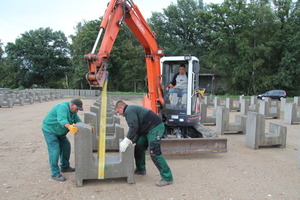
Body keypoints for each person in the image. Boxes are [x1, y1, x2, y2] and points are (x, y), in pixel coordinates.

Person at [115, 101, 173, 187]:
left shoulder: (129, 110)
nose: (118, 114)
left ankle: (167, 178)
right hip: (146, 129)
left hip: (155, 127)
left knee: (155, 152)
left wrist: (127, 140)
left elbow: (134, 126)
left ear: (121, 108)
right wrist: (133, 140)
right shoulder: (131, 110)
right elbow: (138, 128)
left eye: (117, 112)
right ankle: (141, 169)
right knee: (138, 146)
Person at [42, 99, 83, 182]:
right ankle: (55, 173)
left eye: (78, 109)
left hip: (60, 133)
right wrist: (70, 127)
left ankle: (65, 167)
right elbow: (62, 120)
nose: (77, 111)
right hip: (50, 131)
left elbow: (78, 120)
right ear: (71, 105)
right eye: (76, 108)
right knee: (55, 151)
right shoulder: (62, 107)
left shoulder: (73, 112)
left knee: (66, 147)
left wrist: (86, 126)